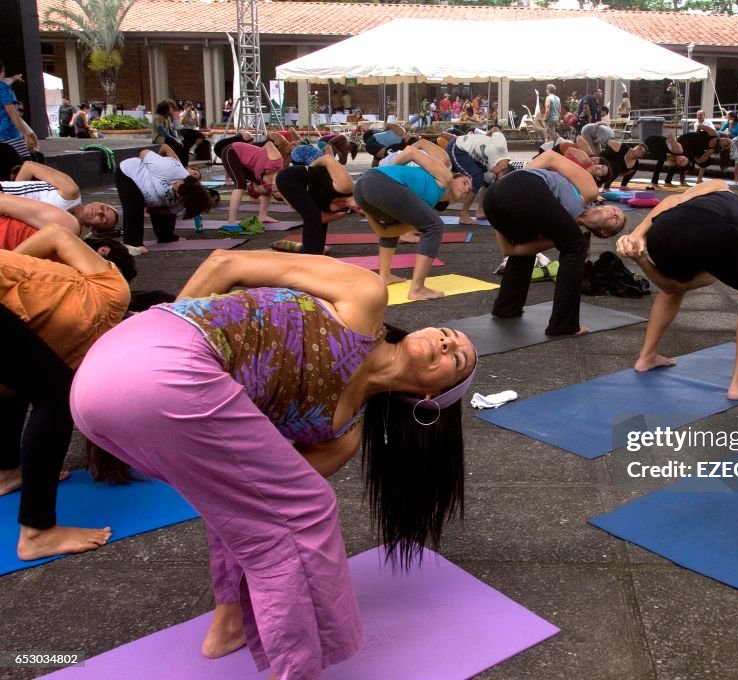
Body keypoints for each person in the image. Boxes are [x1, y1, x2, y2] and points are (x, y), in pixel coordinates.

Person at [71, 248, 477, 679]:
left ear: (434, 400)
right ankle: (297, 669)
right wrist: (161, 348)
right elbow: (225, 265)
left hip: (106, 399)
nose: (448, 341)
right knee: (308, 509)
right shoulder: (365, 295)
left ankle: (229, 623)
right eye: (449, 332)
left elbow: (249, 508)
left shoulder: (340, 435)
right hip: (151, 351)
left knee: (257, 508)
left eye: (458, 358)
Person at [1, 225, 133, 560]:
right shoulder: (114, 291)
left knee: (33, 383)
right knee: (57, 394)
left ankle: (7, 471)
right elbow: (57, 232)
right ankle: (37, 532)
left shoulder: (83, 356)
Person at [616, 180, 738, 396]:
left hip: (662, 231)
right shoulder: (720, 186)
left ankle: (647, 357)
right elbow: (674, 198)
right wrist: (636, 234)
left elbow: (684, 283)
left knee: (672, 290)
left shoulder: (712, 204)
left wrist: (639, 234)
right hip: (711, 227)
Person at [484, 150, 626, 336]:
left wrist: (499, 221)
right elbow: (551, 157)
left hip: (495, 203)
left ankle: (507, 308)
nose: (615, 213)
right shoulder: (589, 192)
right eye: (616, 210)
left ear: (604, 233)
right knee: (577, 246)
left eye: (616, 220)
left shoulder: (557, 233)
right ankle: (564, 325)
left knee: (539, 243)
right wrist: (515, 181)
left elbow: (511, 251)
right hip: (516, 186)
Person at [354, 146, 472, 299]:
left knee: (395, 223)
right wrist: (388, 172)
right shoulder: (445, 176)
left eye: (469, 190)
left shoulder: (423, 203)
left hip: (363, 190)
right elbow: (411, 151)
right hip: (378, 181)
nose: (467, 189)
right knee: (435, 226)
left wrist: (368, 211)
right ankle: (417, 288)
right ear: (455, 177)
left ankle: (384, 275)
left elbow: (385, 232)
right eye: (465, 182)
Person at [115, 145, 213, 246]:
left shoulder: (185, 200)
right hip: (129, 173)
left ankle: (166, 237)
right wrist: (151, 169)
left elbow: (168, 211)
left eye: (178, 193)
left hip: (153, 194)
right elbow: (144, 153)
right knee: (135, 206)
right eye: (179, 185)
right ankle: (133, 244)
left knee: (166, 209)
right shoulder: (170, 169)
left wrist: (151, 209)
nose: (176, 185)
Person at [275, 152, 361, 255]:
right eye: (361, 206)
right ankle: (311, 254)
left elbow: (321, 220)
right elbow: (327, 159)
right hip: (290, 177)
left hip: (300, 189)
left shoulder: (340, 212)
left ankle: (316, 250)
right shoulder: (347, 186)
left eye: (360, 211)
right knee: (312, 216)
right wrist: (310, 169)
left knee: (315, 216)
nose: (358, 207)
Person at [3, 161, 118, 233]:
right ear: (96, 202)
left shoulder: (67, 230)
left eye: (103, 219)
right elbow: (29, 167)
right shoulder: (71, 191)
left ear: (93, 229)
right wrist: (14, 192)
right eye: (103, 208)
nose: (99, 212)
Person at [442, 130, 514, 225]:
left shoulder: (495, 169)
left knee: (486, 180)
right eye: (496, 176)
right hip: (458, 147)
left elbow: (487, 182)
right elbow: (495, 129)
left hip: (470, 156)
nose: (494, 175)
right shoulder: (500, 147)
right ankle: (463, 215)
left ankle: (480, 210)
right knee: (476, 178)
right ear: (503, 167)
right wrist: (484, 138)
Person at [222, 140, 284, 225]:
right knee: (240, 184)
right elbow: (269, 143)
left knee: (264, 189)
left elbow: (257, 190)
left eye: (274, 193)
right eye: (278, 191)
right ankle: (231, 221)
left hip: (244, 162)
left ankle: (262, 215)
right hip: (232, 150)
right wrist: (258, 155)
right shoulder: (277, 162)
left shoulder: (267, 184)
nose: (274, 190)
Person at [0, 61, 38, 166]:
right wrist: (26, 134)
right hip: (9, 135)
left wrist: (15, 77)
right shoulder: (3, 87)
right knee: (25, 166)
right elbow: (11, 112)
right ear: (2, 70)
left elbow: (7, 80)